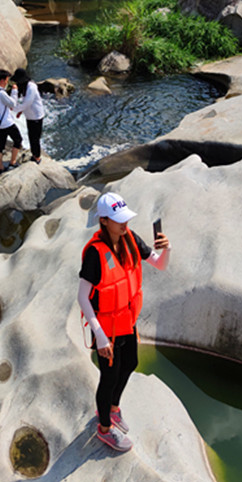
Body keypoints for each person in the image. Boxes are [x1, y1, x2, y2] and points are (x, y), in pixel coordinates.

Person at [77, 192, 171, 453]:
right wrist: (100, 335)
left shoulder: (130, 239)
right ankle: (104, 429)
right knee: (109, 377)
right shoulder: (95, 254)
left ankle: (113, 409)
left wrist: (167, 249)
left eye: (125, 218)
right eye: (118, 220)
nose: (124, 224)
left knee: (130, 363)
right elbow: (82, 297)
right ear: (104, 220)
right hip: (105, 328)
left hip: (126, 322)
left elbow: (160, 265)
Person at [0, 69, 22, 173]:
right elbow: (13, 104)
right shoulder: (1, 93)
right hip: (7, 123)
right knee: (18, 140)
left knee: (0, 146)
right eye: (6, 80)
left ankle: (1, 168)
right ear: (2, 80)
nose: (7, 82)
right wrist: (14, 91)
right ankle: (12, 162)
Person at [12, 67, 45, 164]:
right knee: (31, 136)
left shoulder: (31, 87)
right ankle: (34, 155)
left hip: (36, 116)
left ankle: (37, 157)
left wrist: (14, 109)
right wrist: (19, 112)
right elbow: (24, 102)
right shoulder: (25, 86)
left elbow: (27, 103)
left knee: (35, 138)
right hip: (29, 116)